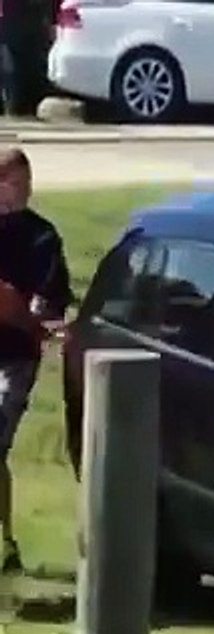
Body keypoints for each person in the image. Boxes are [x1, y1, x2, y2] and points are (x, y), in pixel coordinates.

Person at [0, 146, 73, 573]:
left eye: (17, 182)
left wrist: (20, 313)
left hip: (13, 360)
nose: (13, 192)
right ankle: (7, 542)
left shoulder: (41, 239)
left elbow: (47, 313)